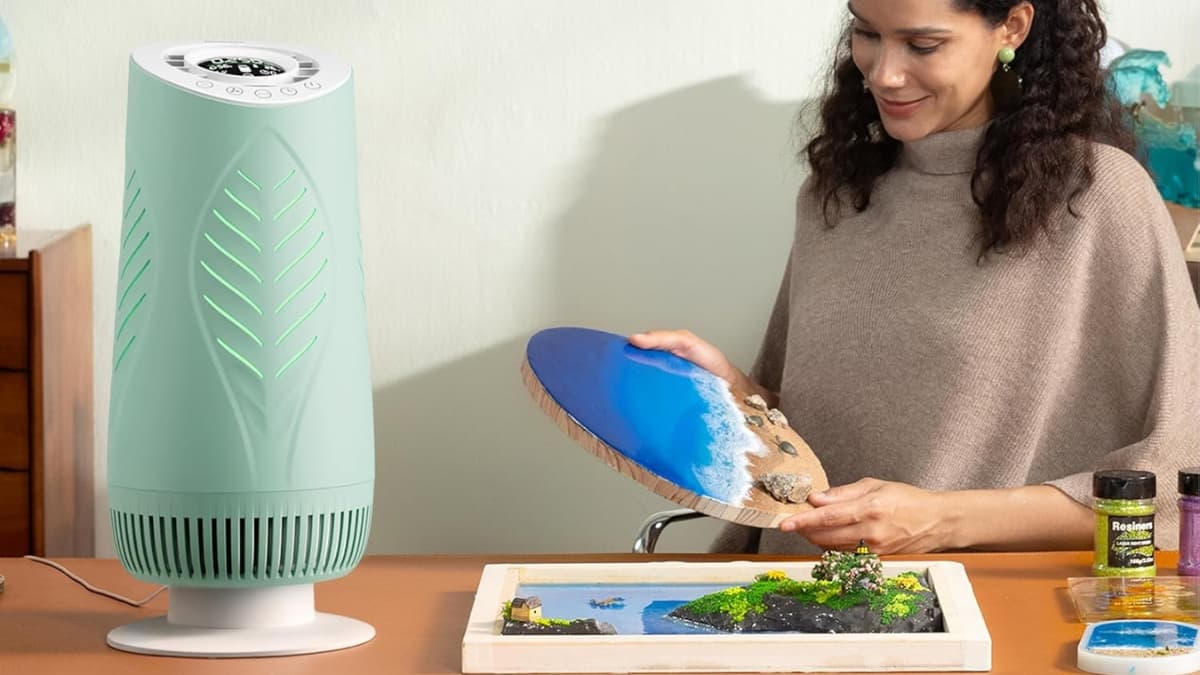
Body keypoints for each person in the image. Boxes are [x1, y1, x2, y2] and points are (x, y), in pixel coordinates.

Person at [629, 0, 1200, 555]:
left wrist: (940, 521)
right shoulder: (838, 195)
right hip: (792, 590)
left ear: (1012, 27)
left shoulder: (1094, 196)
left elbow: (1180, 480)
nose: (884, 74)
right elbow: (808, 439)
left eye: (922, 44)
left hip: (973, 602)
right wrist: (733, 390)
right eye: (867, 33)